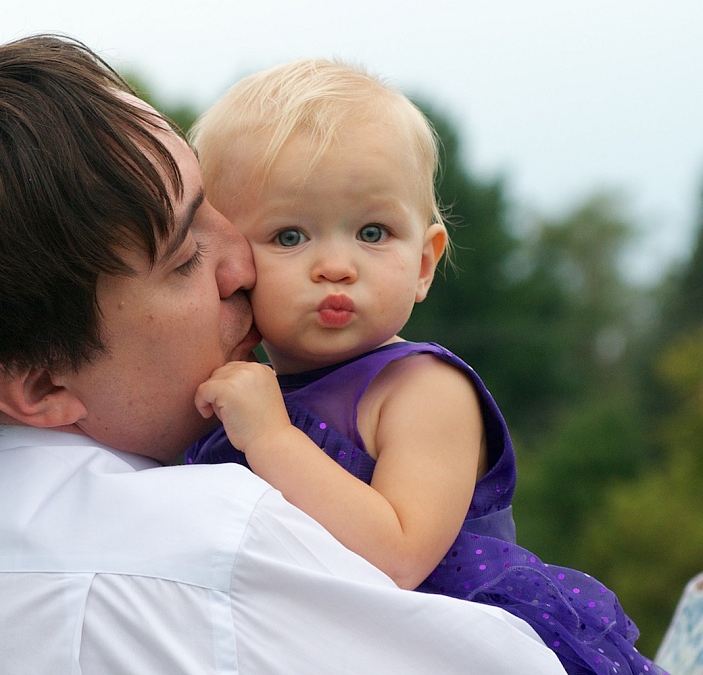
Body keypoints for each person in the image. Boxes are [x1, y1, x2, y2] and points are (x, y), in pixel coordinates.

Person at [0, 35, 568, 673]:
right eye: (184, 258)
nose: (244, 267)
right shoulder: (215, 543)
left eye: (220, 214)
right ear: (40, 381)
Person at [185, 59, 663, 675]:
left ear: (424, 262)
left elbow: (400, 555)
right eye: (289, 237)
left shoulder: (420, 389)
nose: (336, 265)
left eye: (373, 232)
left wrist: (272, 438)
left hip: (459, 646)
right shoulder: (246, 387)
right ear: (230, 260)